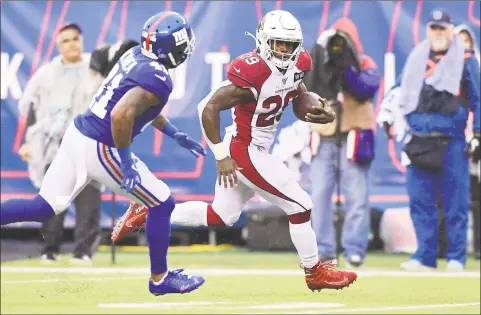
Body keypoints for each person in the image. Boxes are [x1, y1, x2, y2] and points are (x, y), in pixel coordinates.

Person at [111, 10, 358, 292]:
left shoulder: (299, 62)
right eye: (278, 44)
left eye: (289, 44)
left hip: (255, 147)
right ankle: (315, 272)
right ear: (265, 42)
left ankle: (146, 211)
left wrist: (310, 105)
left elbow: (296, 89)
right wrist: (221, 155)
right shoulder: (253, 70)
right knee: (301, 205)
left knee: (221, 215)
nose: (284, 50)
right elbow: (207, 107)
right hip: (244, 149)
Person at [1, 11, 207, 296]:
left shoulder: (136, 54)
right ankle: (160, 279)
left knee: (43, 207)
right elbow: (122, 114)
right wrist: (126, 162)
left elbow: (138, 106)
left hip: (79, 133)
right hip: (101, 146)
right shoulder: (159, 78)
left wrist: (174, 134)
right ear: (171, 47)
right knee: (162, 203)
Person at [377, 10, 480, 271]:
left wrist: (477, 134)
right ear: (428, 31)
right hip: (418, 139)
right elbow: (397, 91)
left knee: (455, 203)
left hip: (451, 140)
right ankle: (425, 256)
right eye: (434, 28)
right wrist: (387, 113)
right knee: (420, 202)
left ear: (450, 31)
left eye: (442, 28)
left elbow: (478, 100)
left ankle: (456, 257)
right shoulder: (416, 59)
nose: (438, 33)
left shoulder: (466, 60)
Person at [17, 23, 108, 264]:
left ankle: (83, 252)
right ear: (58, 46)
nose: (71, 44)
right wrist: (28, 142)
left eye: (75, 39)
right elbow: (35, 109)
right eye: (65, 41)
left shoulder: (96, 69)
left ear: (81, 40)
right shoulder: (46, 74)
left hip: (87, 146)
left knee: (88, 201)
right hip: (53, 148)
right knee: (53, 201)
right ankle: (49, 249)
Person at [302, 17, 380, 267]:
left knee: (357, 196)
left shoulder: (365, 62)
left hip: (355, 136)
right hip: (325, 136)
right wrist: (325, 64)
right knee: (320, 195)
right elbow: (311, 90)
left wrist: (345, 67)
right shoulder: (321, 63)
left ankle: (354, 249)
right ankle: (324, 250)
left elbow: (365, 89)